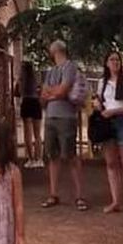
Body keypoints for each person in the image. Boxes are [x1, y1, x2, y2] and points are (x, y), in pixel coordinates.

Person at [40, 40, 86, 211]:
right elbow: (44, 94)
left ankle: (79, 196)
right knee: (53, 156)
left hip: (66, 117)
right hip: (50, 116)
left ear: (57, 50)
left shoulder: (70, 67)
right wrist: (55, 93)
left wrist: (55, 93)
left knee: (71, 155)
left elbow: (63, 90)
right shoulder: (51, 70)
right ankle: (53, 194)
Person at [97, 51, 123, 216]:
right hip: (107, 123)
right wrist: (98, 106)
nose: (115, 62)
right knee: (111, 163)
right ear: (106, 63)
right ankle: (115, 201)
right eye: (111, 59)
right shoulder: (102, 83)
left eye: (117, 59)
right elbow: (101, 102)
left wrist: (114, 111)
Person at [15, 61, 44, 168]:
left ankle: (30, 158)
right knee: (37, 134)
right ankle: (39, 158)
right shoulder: (36, 77)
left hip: (26, 102)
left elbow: (17, 92)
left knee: (27, 132)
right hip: (35, 102)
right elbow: (40, 90)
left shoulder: (21, 78)